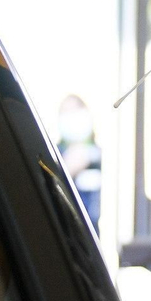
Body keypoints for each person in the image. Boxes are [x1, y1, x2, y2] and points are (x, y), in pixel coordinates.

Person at [54, 94, 103, 226]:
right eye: (66, 112)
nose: (72, 118)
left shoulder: (100, 155)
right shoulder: (55, 155)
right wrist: (66, 171)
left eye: (76, 110)